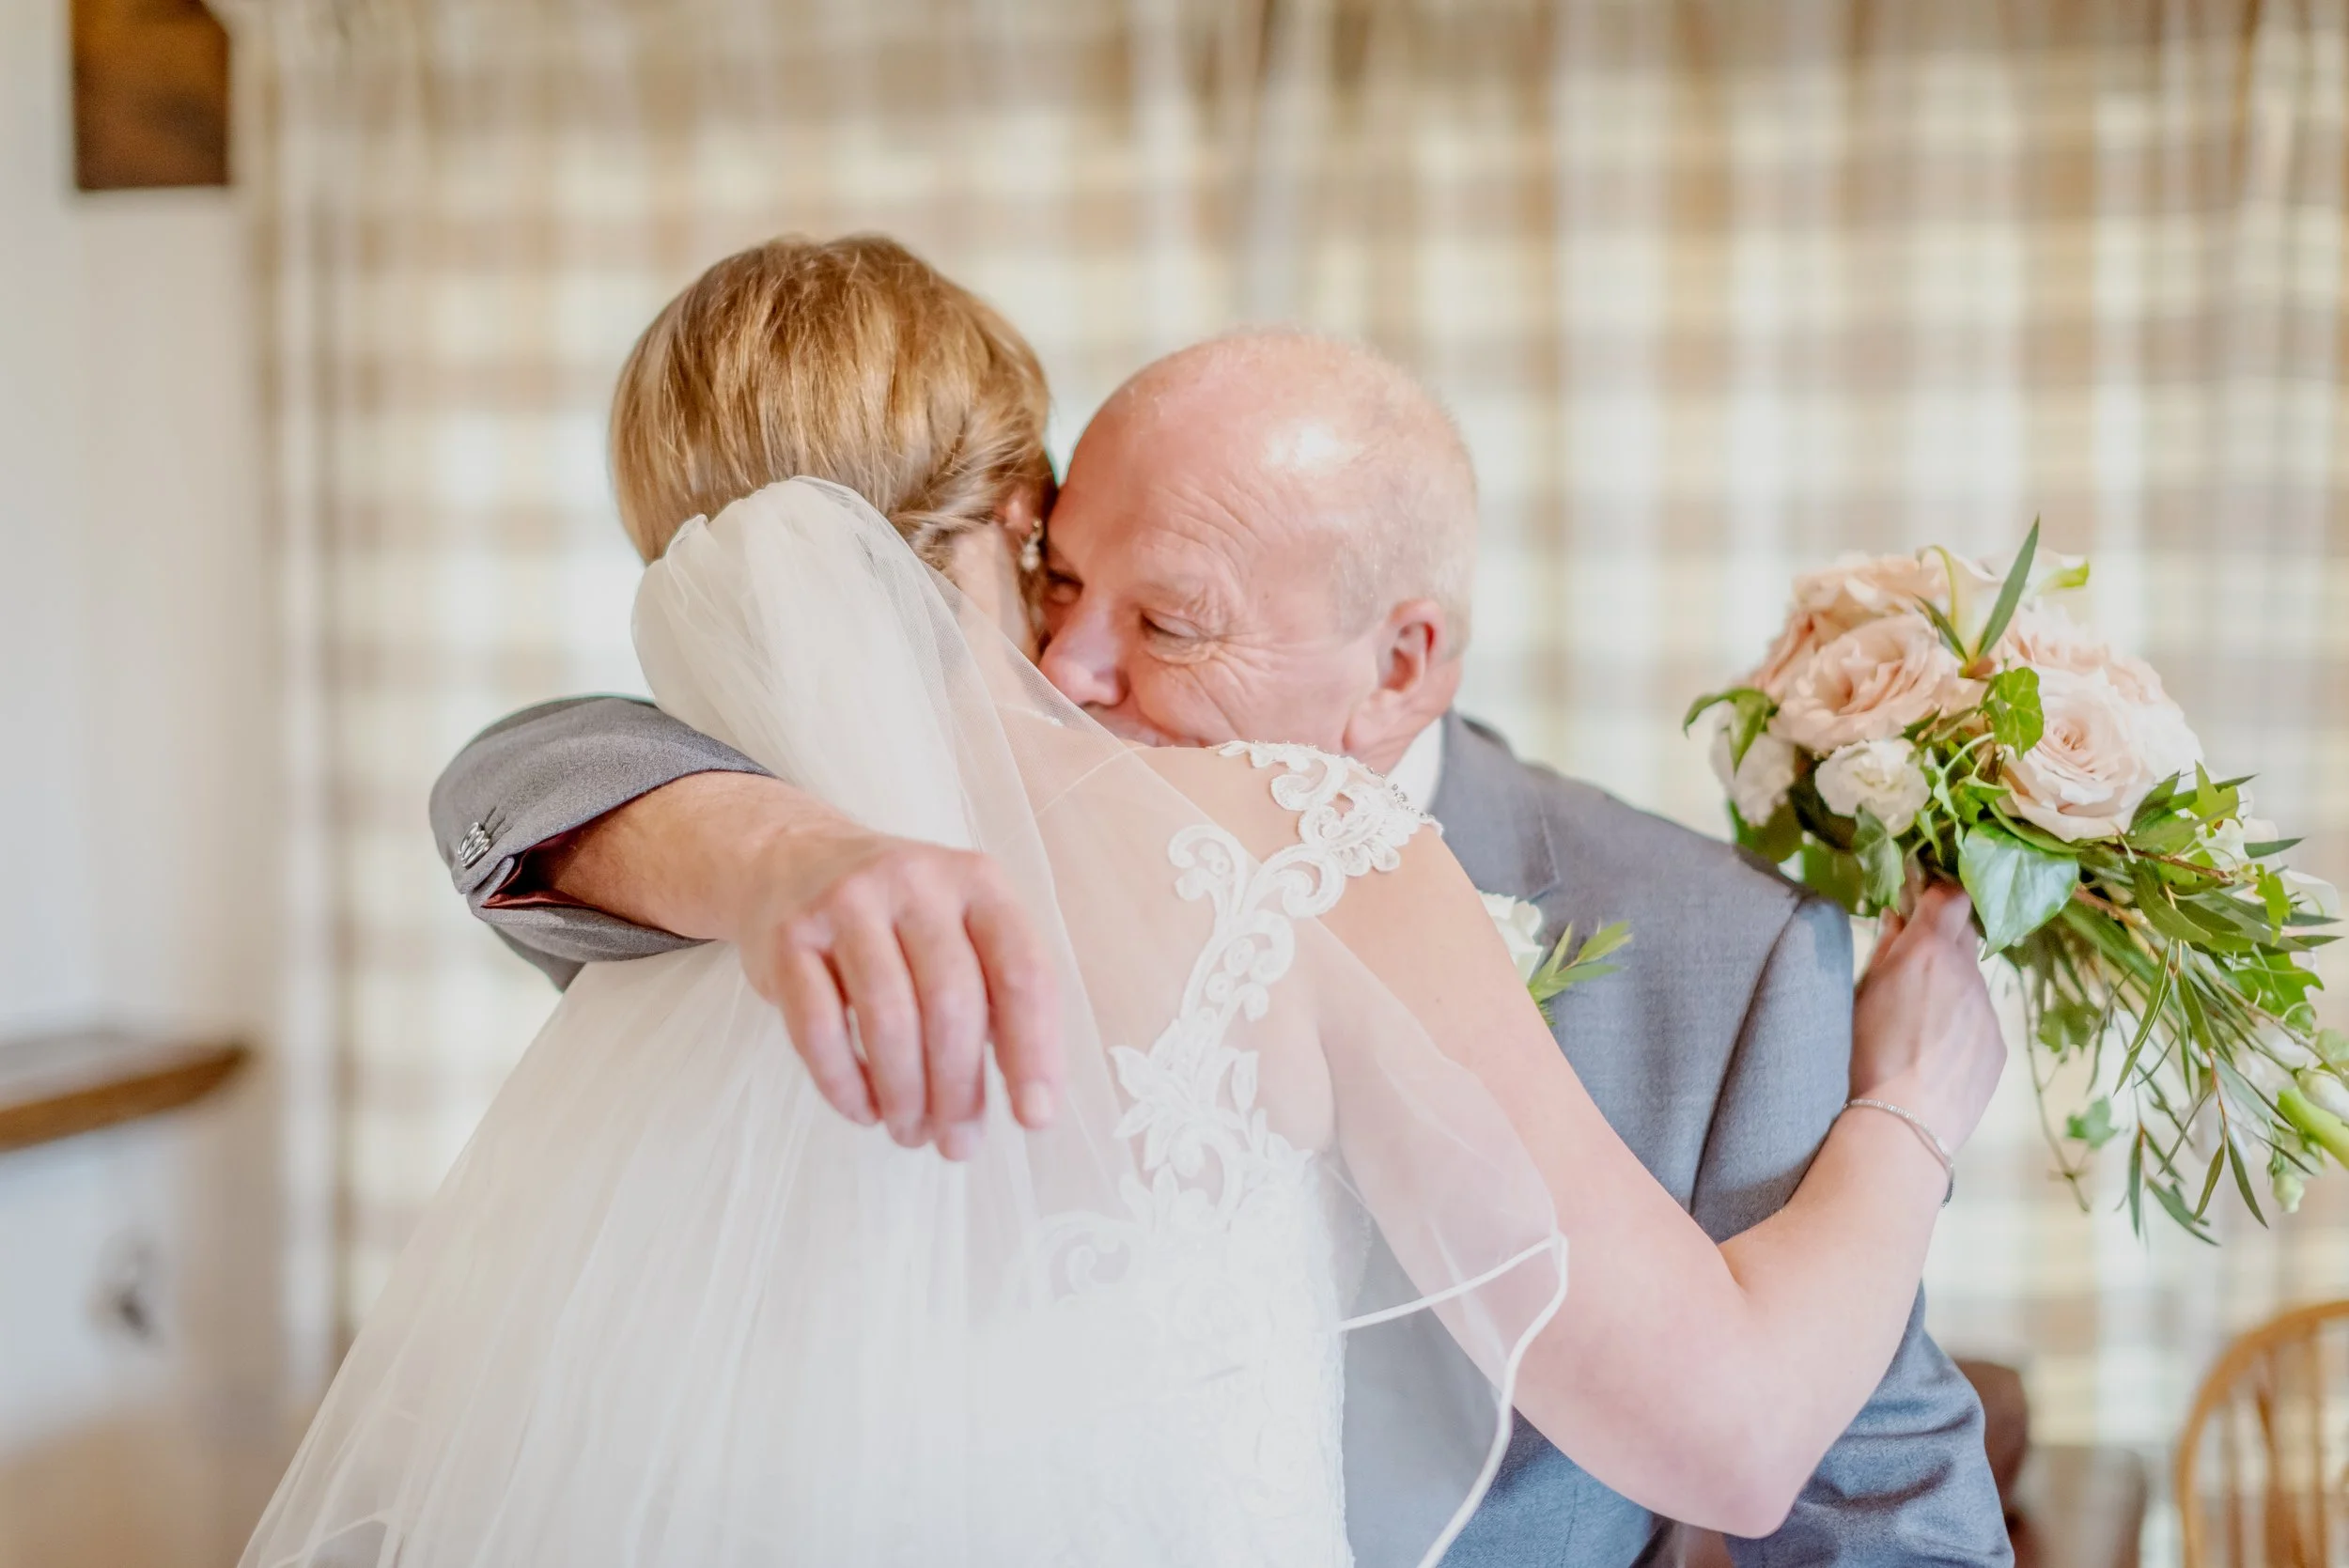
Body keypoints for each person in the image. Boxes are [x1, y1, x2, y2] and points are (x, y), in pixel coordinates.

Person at [245, 235, 2005, 1568]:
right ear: (1024, 516)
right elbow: (1739, 1436)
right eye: (1077, 583)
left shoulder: (684, 920)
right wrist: (1915, 1109)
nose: (1092, 662)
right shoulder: (1276, 847)